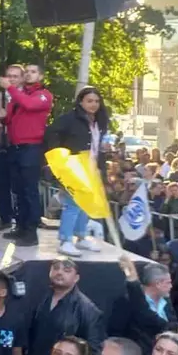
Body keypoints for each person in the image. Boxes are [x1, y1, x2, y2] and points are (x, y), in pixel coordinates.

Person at [44, 86, 108, 257]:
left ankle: (81, 236)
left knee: (85, 204)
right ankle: (65, 240)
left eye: (96, 101)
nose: (93, 104)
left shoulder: (99, 121)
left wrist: (101, 169)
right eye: (89, 101)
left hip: (91, 168)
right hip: (73, 167)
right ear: (81, 102)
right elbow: (51, 134)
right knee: (72, 204)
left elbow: (98, 147)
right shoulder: (69, 119)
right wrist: (59, 158)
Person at [1, 63, 53, 247]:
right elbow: (10, 118)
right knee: (19, 190)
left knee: (30, 191)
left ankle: (31, 232)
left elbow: (29, 105)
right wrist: (3, 116)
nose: (29, 74)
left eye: (33, 71)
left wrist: (11, 88)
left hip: (31, 147)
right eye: (27, 72)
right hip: (15, 146)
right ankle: (21, 226)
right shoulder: (19, 95)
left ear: (41, 76)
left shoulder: (43, 95)